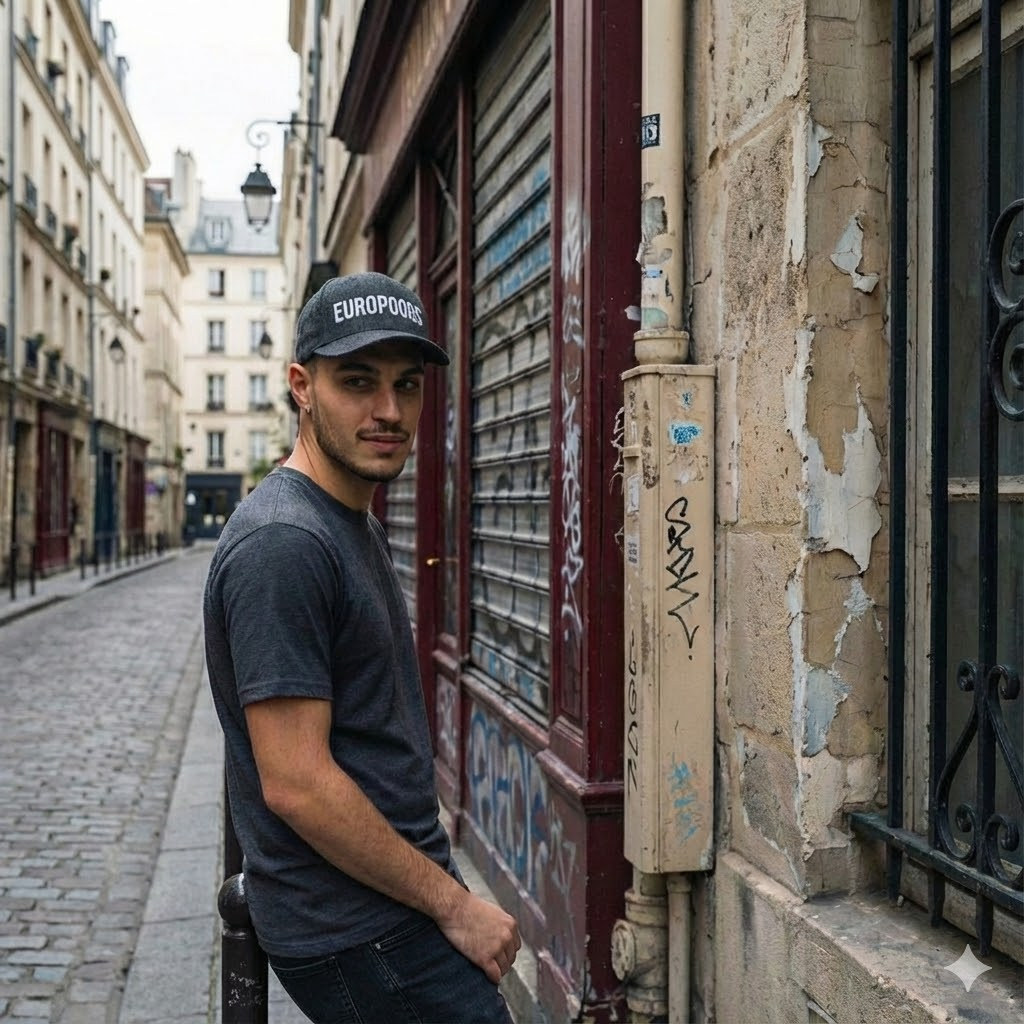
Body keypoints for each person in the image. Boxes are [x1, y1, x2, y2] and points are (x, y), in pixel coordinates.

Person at [203, 271, 520, 1024]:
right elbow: (297, 782)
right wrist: (455, 905)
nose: (389, 411)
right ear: (300, 386)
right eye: (357, 381)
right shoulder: (283, 543)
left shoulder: (348, 523)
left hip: (377, 912)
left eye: (406, 385)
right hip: (357, 931)